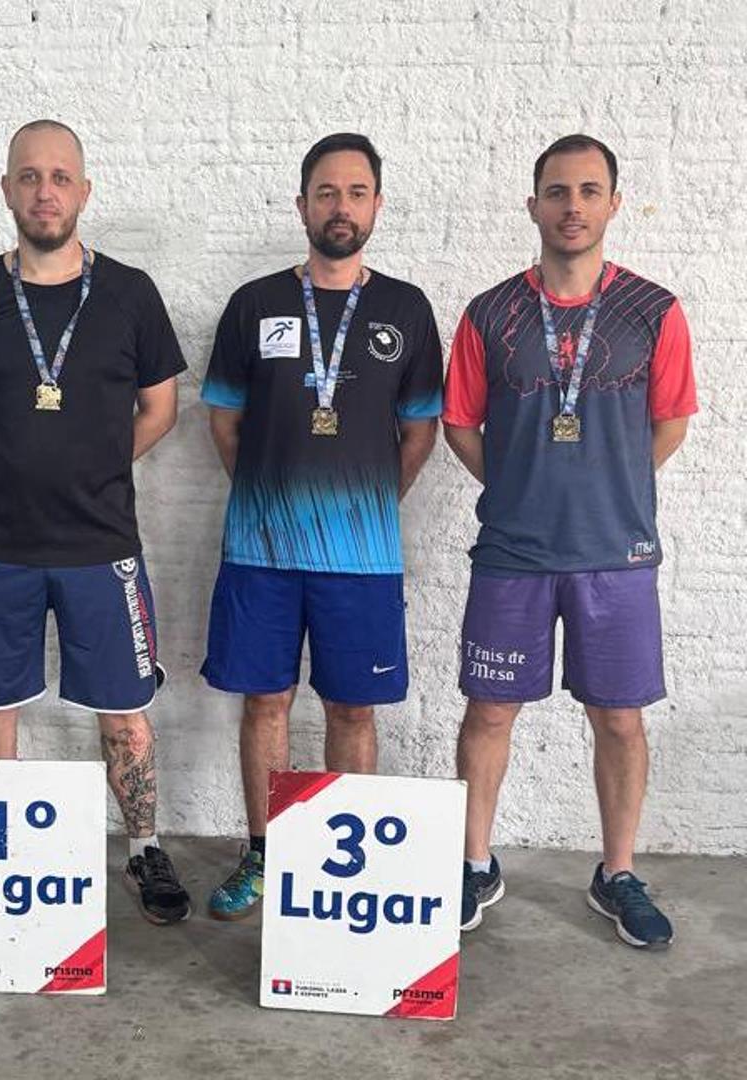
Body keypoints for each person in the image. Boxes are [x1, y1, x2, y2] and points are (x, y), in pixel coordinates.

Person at [0, 119, 191, 925]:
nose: (46, 191)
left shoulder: (130, 293)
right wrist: (1, 460)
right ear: (7, 189)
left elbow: (161, 407)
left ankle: (144, 848)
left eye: (61, 177)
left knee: (125, 711)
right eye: (30, 176)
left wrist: (95, 467)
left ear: (84, 191)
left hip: (100, 543)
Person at [442, 134, 696, 949]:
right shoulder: (489, 313)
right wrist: (520, 485)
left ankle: (617, 872)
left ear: (613, 205)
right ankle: (475, 862)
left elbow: (670, 423)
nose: (573, 207)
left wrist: (607, 487)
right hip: (513, 553)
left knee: (619, 720)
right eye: (557, 192)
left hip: (615, 554)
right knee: (489, 712)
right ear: (533, 206)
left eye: (589, 191)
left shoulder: (655, 311)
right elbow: (459, 423)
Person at [200, 133, 443, 920]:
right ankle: (264, 854)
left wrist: (367, 502)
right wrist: (270, 494)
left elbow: (420, 433)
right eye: (327, 192)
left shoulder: (406, 309)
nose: (342, 207)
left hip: (361, 558)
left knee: (352, 710)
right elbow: (225, 422)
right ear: (302, 204)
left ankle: (345, 875)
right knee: (264, 704)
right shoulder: (253, 304)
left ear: (378, 205)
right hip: (262, 550)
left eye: (357, 192)